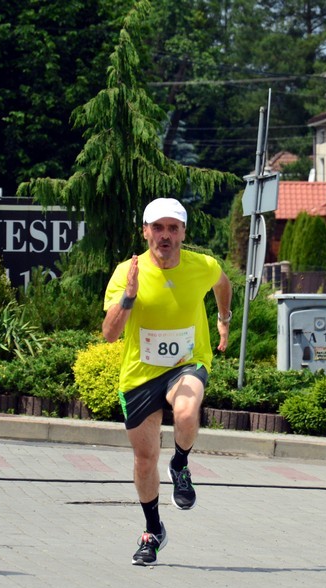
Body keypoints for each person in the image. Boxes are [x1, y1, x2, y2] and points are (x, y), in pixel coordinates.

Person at [102, 197, 232, 566]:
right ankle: (153, 530)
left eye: (172, 228)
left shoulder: (202, 266)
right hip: (140, 375)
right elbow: (109, 334)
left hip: (186, 364)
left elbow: (223, 283)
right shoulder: (126, 272)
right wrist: (129, 296)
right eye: (157, 227)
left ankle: (180, 464)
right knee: (145, 460)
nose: (165, 235)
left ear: (183, 233)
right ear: (145, 231)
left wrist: (224, 318)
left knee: (187, 410)